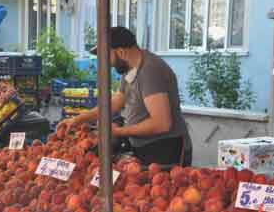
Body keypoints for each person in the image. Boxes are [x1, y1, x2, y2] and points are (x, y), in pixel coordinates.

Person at [61, 27, 192, 166]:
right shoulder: (130, 68)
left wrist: (119, 131)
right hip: (143, 146)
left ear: (121, 52)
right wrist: (79, 119)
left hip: (165, 148)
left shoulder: (150, 71)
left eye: (107, 56)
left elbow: (162, 123)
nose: (107, 63)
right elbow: (116, 102)